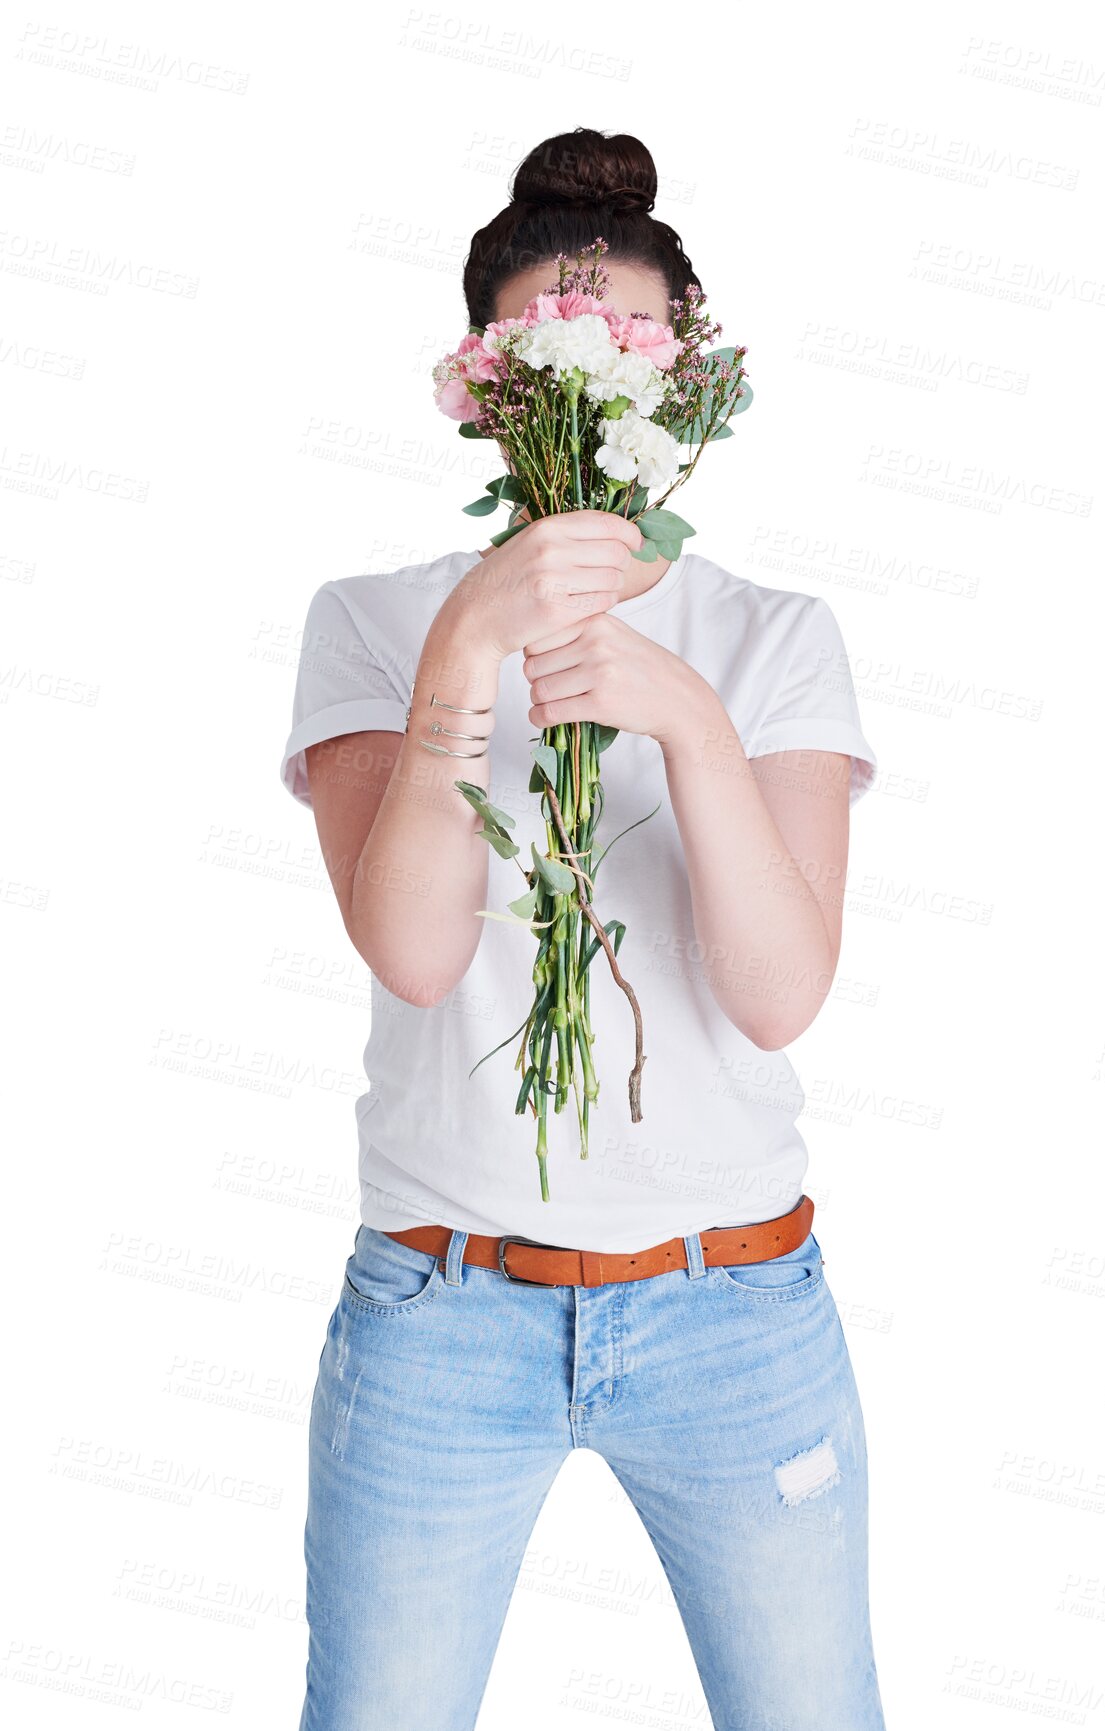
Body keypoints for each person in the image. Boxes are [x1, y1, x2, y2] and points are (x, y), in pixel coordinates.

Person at [280, 126, 888, 1731]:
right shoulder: (375, 621)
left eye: (624, 337)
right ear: (486, 382)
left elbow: (779, 995)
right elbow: (413, 951)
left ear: (682, 373)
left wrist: (684, 716)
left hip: (736, 1305)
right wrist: (466, 653)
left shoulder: (771, 639)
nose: (586, 377)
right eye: (548, 344)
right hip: (439, 1309)